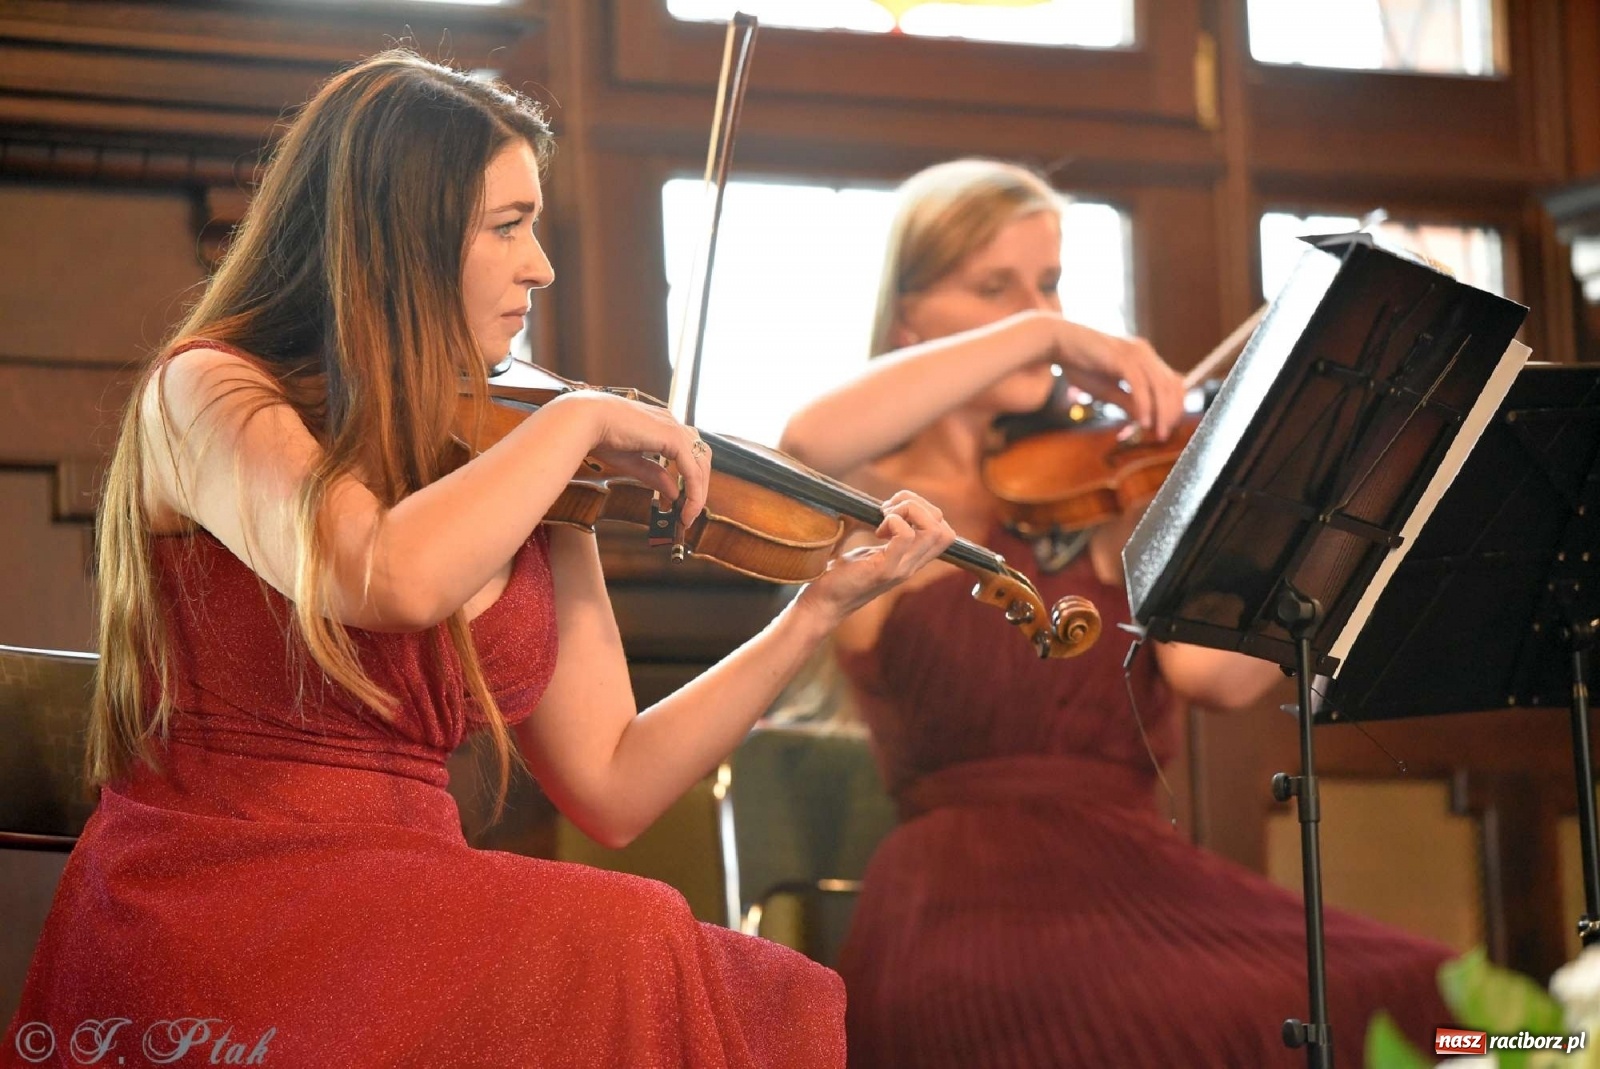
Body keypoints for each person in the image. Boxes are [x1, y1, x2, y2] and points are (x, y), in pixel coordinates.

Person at [2, 51, 967, 1069]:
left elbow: (614, 784)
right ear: (395, 242)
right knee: (627, 942)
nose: (541, 264)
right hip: (221, 904)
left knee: (666, 950)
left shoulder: (517, 453)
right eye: (507, 226)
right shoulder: (209, 394)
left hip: (414, 915)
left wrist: (813, 611)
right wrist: (580, 418)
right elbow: (380, 576)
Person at [778, 158, 1454, 1067]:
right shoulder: (866, 500)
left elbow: (1215, 675)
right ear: (909, 317)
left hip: (1147, 888)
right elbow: (808, 437)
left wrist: (1367, 480)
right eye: (995, 287)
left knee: (1454, 1006)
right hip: (964, 914)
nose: (1033, 312)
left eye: (1049, 283)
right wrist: (1044, 329)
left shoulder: (1109, 491)